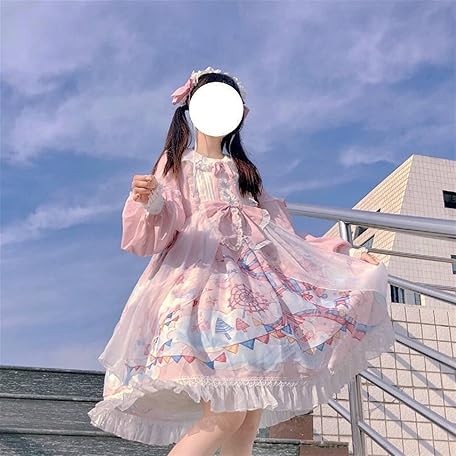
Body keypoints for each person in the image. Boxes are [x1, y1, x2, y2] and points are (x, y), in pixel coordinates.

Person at [88, 66, 395, 456]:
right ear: (191, 109)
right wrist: (152, 201)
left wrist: (344, 253)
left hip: (255, 298)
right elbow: (166, 221)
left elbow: (284, 236)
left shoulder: (245, 173)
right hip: (202, 290)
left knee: (247, 418)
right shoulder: (177, 163)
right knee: (227, 414)